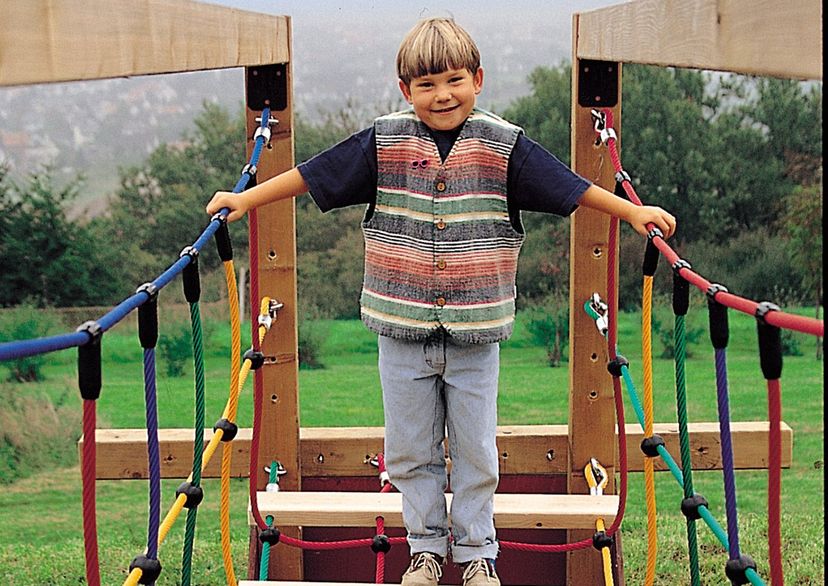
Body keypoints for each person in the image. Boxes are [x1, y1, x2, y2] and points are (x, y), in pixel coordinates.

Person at [207, 17, 676, 586]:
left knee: (477, 453)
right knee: (407, 453)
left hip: (476, 335)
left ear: (478, 79)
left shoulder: (505, 147)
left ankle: (478, 552)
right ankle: (426, 549)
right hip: (400, 331)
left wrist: (633, 213)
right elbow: (311, 175)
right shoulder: (383, 141)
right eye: (426, 85)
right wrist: (243, 199)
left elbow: (574, 188)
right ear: (406, 90)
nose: (442, 95)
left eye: (454, 80)